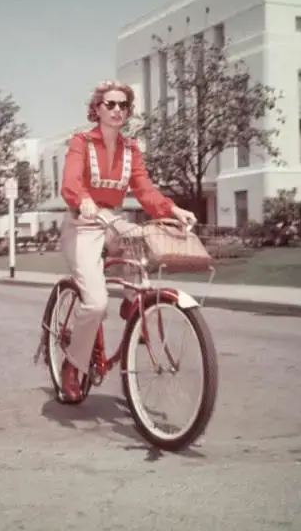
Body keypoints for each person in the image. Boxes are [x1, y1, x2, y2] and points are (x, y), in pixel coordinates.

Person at [58, 80, 197, 402]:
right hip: (82, 221)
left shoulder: (131, 148)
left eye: (123, 105)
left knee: (139, 238)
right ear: (97, 109)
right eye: (111, 104)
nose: (118, 109)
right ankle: (72, 366)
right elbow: (71, 181)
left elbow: (144, 189)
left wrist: (173, 209)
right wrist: (83, 200)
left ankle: (134, 303)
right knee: (94, 304)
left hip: (113, 218)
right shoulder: (81, 141)